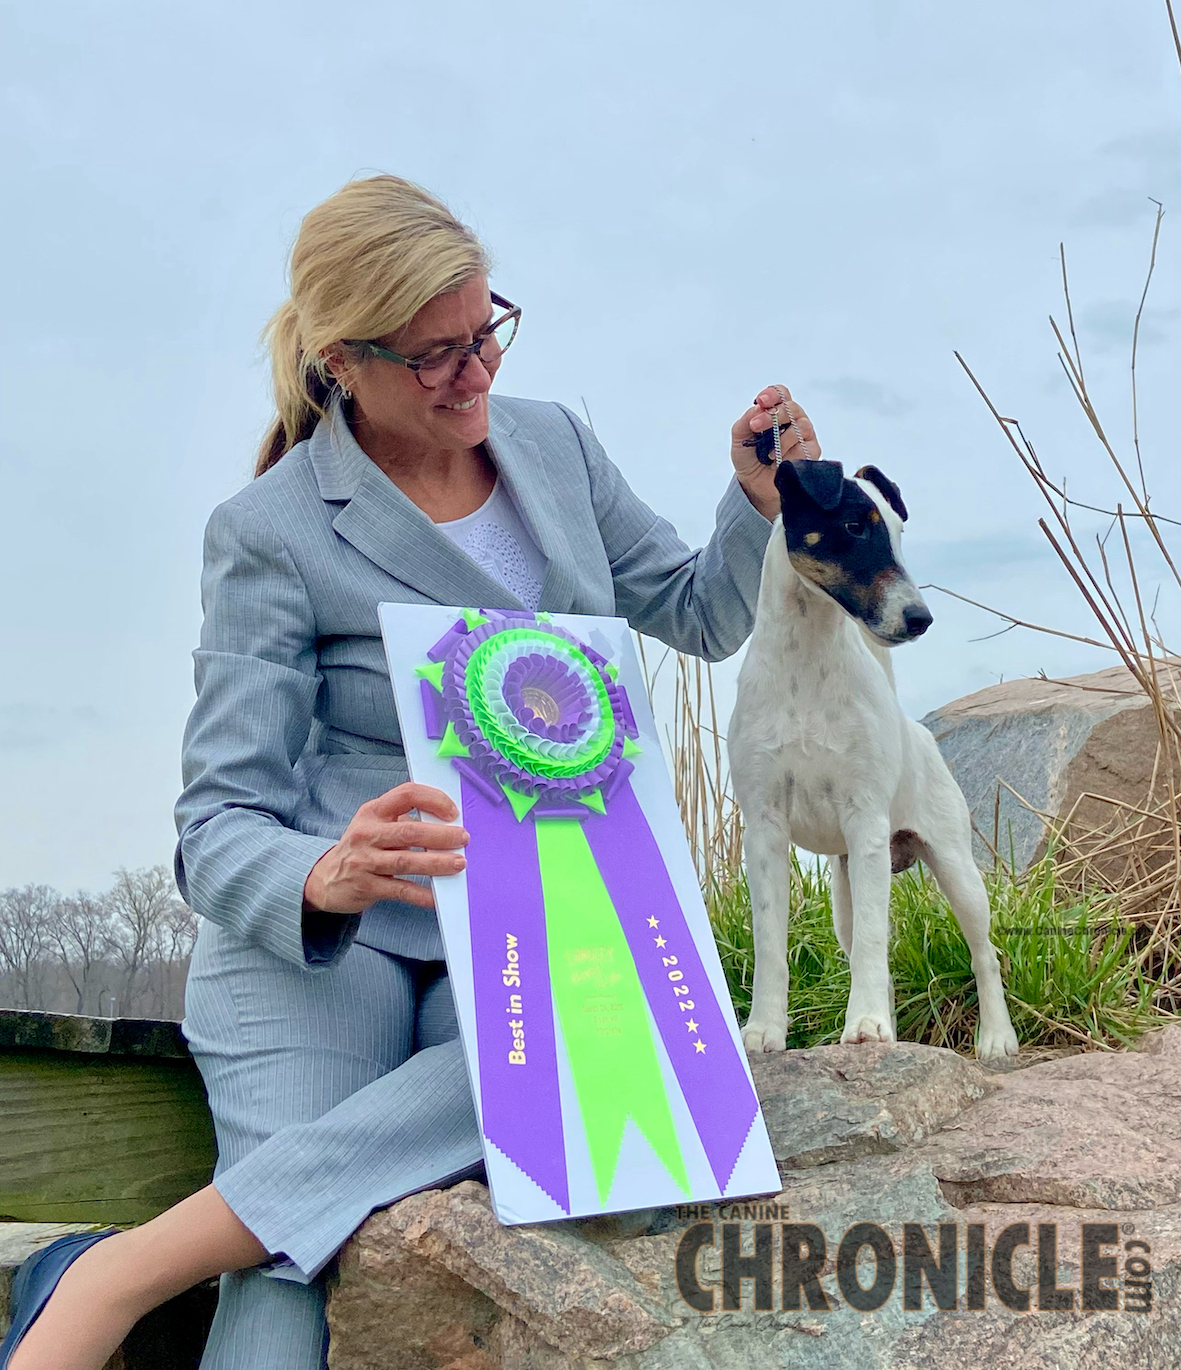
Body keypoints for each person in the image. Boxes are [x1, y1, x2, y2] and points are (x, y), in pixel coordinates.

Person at [1, 174, 820, 1370]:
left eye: (487, 331)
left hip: (541, 913)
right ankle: (112, 1289)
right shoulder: (269, 529)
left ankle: (114, 1271)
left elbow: (700, 614)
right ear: (345, 360)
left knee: (599, 1061)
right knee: (291, 1278)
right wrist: (324, 872)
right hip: (328, 941)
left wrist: (756, 505)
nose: (475, 372)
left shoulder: (556, 446)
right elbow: (217, 821)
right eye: (435, 355)